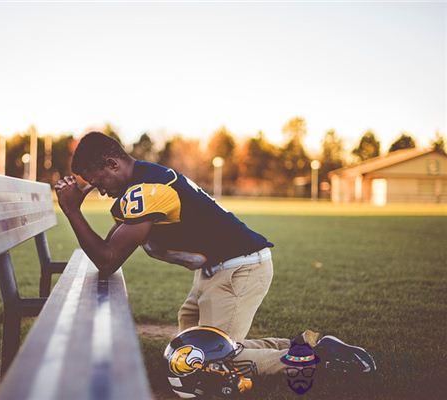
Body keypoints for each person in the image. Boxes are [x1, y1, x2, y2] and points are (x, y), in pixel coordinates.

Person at [54, 131, 375, 379]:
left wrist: (71, 211)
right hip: (217, 271)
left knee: (211, 361)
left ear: (112, 164)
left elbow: (108, 260)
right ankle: (304, 345)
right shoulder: (140, 184)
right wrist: (76, 211)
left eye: (99, 181)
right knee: (190, 352)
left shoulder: (146, 189)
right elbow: (109, 247)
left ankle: (319, 359)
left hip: (239, 269)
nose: (100, 190)